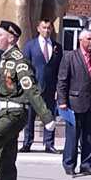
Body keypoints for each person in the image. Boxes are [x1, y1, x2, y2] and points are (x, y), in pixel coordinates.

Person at [0, 21, 56, 180]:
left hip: (14, 113)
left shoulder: (19, 62)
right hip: (5, 112)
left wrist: (46, 117)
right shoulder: (6, 59)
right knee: (6, 159)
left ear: (11, 38)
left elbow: (31, 90)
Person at [57, 29, 91, 175]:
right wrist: (62, 101)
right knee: (73, 136)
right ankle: (69, 164)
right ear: (81, 40)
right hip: (74, 102)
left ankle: (87, 164)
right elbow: (62, 80)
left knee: (90, 136)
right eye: (89, 39)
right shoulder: (70, 56)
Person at [20, 19, 62, 153]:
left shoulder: (57, 47)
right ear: (38, 28)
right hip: (33, 88)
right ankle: (27, 143)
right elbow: (25, 67)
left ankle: (49, 143)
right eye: (44, 27)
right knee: (30, 117)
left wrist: (58, 88)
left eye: (49, 28)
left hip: (50, 88)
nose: (47, 30)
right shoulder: (30, 46)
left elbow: (59, 69)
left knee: (49, 116)